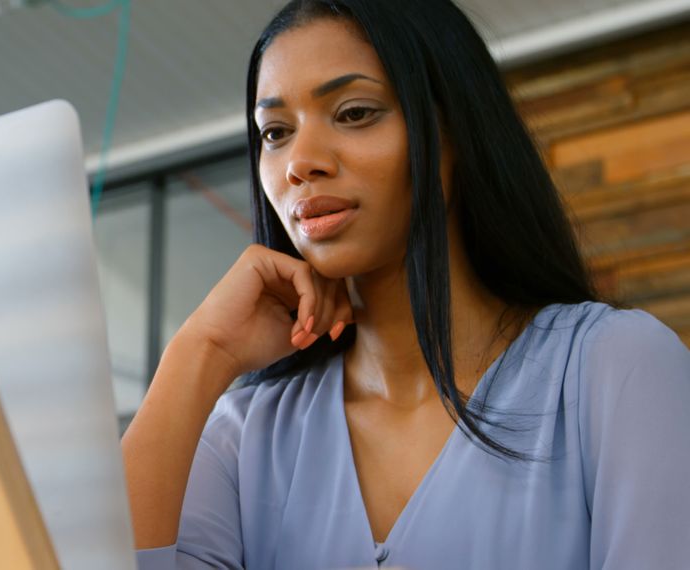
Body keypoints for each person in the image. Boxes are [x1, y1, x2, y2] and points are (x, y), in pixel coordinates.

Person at [120, 1, 690, 568]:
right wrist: (201, 353)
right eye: (275, 131)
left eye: (354, 112)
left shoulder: (614, 369)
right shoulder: (244, 438)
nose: (301, 162)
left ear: (457, 133)